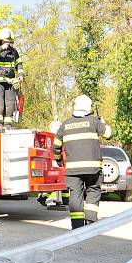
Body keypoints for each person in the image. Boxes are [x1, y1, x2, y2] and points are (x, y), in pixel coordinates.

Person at [53, 95, 113, 229]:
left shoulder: (65, 124)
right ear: (88, 107)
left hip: (73, 171)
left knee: (76, 196)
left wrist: (58, 160)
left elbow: (56, 146)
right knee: (93, 192)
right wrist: (102, 122)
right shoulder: (94, 121)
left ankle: (77, 226)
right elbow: (110, 134)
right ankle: (91, 223)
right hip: (93, 170)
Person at [0, 28, 23, 129]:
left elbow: (19, 64)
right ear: (1, 40)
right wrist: (1, 48)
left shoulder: (14, 52)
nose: (8, 43)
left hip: (10, 82)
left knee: (10, 104)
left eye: (9, 41)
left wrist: (20, 75)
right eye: (6, 40)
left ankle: (8, 125)